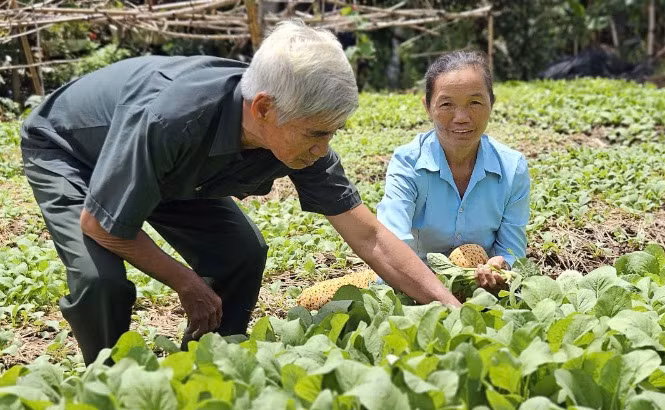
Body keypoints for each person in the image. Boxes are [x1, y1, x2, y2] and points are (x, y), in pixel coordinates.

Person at [19, 20, 461, 364]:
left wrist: (449, 307)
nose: (323, 147)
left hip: (172, 170)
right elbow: (101, 224)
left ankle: (213, 357)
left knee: (242, 252)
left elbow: (370, 237)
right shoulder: (172, 119)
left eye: (333, 133)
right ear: (264, 108)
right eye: (317, 133)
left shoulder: (294, 134)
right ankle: (108, 382)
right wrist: (186, 282)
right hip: (73, 149)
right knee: (101, 279)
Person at [376, 51, 531, 290]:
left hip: (481, 285)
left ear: (492, 103)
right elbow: (393, 243)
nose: (461, 117)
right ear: (427, 106)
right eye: (447, 104)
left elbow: (512, 249)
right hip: (414, 281)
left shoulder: (512, 168)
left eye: (475, 102)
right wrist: (436, 291)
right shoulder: (407, 162)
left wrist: (503, 264)